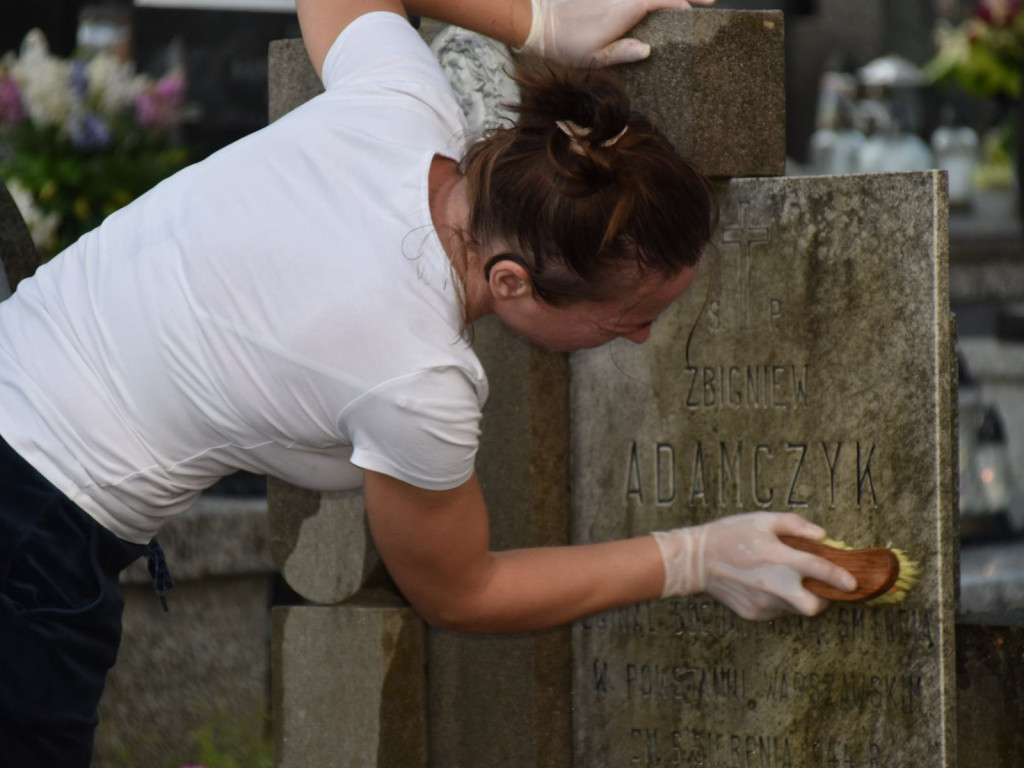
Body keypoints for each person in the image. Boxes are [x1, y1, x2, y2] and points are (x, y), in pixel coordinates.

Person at [0, 0, 858, 763]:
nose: (636, 338)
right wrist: (695, 557)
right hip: (33, 534)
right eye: (622, 317)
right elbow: (460, 589)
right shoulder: (419, 378)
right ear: (514, 283)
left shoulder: (404, 105)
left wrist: (538, 23)